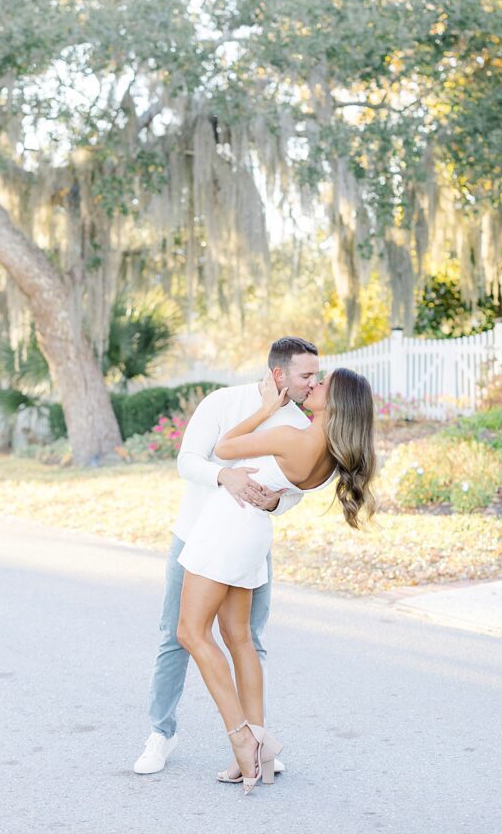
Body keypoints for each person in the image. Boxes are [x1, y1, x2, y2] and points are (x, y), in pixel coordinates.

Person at [176, 364, 376, 794]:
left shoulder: (294, 437)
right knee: (238, 636)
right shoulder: (327, 455)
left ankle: (241, 738)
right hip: (253, 531)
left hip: (228, 526)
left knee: (191, 632)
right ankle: (260, 746)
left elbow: (225, 447)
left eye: (322, 384)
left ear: (335, 402)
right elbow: (283, 491)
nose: (314, 384)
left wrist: (266, 407)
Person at [134, 336, 325, 778]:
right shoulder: (224, 402)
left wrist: (275, 504)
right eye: (306, 375)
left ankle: (257, 746)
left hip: (246, 542)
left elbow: (295, 491)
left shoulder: (299, 422)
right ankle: (161, 734)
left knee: (247, 638)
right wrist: (226, 478)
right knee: (175, 637)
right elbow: (188, 461)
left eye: (315, 375)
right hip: (194, 537)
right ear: (279, 374)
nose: (313, 383)